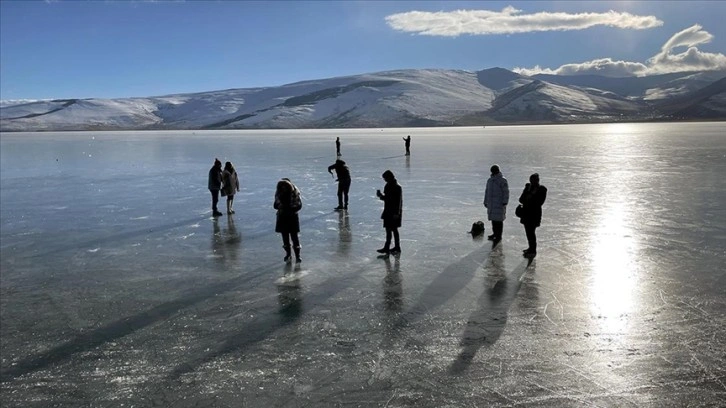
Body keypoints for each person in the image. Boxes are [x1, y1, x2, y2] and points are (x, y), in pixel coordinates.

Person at [518, 173, 547, 258]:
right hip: (526, 214)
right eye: (531, 180)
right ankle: (530, 248)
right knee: (528, 232)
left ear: (537, 180)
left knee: (531, 233)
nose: (532, 182)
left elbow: (539, 203)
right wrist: (528, 193)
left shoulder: (542, 189)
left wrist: (531, 196)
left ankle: (533, 250)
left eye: (533, 180)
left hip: (534, 215)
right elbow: (521, 199)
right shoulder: (528, 187)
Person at [274, 178, 303, 263]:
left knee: (289, 237)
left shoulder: (280, 192)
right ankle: (294, 255)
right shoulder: (294, 192)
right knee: (291, 237)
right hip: (290, 216)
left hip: (285, 216)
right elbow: (299, 205)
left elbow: (275, 205)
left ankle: (291, 255)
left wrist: (284, 208)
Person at [376, 170, 402, 254]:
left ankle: (393, 247)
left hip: (393, 212)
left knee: (393, 229)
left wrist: (397, 213)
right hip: (388, 211)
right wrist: (380, 196)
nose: (384, 180)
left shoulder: (396, 187)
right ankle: (391, 247)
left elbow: (398, 201)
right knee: (390, 230)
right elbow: (387, 198)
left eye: (385, 178)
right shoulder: (389, 185)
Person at [483, 164, 509, 243]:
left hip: (499, 203)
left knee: (499, 221)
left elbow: (506, 192)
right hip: (491, 204)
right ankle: (495, 234)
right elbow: (487, 191)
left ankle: (499, 236)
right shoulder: (490, 180)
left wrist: (505, 201)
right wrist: (486, 201)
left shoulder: (502, 180)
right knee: (494, 220)